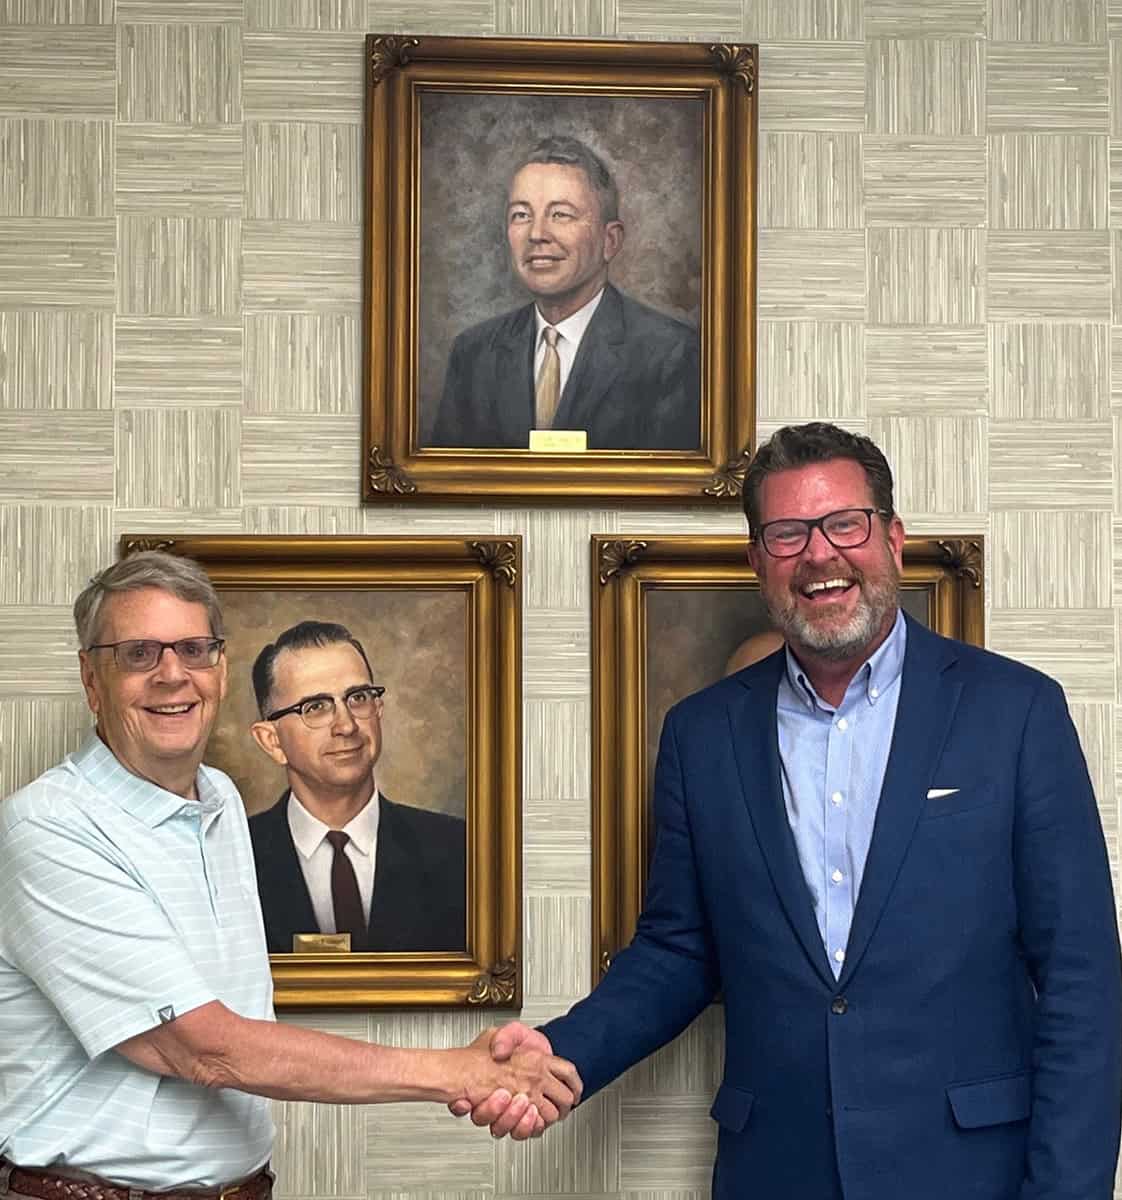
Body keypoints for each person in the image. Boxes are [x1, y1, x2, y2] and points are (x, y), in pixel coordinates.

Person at [463, 422, 1122, 1198]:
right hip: (776, 1170)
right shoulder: (702, 736)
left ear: (893, 538)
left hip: (969, 1171)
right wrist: (556, 1056)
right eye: (786, 534)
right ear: (757, 562)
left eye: (845, 523)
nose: (819, 554)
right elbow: (677, 952)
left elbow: (1082, 980)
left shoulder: (1015, 713)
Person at [0, 552, 580, 1198]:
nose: (173, 675)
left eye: (194, 649)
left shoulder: (219, 801)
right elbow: (206, 1049)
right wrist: (457, 1071)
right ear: (91, 679)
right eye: (139, 653)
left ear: (218, 671)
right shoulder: (49, 827)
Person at [428, 134, 700, 451]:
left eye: (560, 214)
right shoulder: (473, 354)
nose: (537, 234)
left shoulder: (672, 355)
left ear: (610, 241)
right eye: (521, 215)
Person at [247, 620, 465, 955]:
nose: (346, 725)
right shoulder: (232, 861)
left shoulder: (461, 851)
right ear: (271, 740)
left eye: (358, 697)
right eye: (315, 707)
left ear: (378, 710)